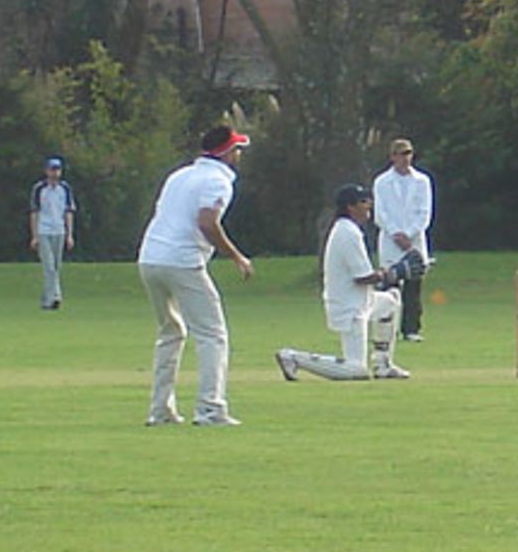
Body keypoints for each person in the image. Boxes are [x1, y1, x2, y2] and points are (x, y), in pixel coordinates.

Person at [137, 125, 254, 426]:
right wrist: (236, 256)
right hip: (182, 261)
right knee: (212, 334)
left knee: (170, 332)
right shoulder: (218, 181)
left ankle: (160, 409)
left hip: (150, 258)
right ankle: (210, 409)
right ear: (227, 153)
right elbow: (207, 222)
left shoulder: (179, 175)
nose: (239, 154)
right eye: (236, 149)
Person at [275, 184, 411, 382]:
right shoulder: (347, 233)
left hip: (362, 301)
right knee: (356, 370)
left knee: (390, 302)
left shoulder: (349, 229)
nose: (369, 206)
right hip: (349, 308)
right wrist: (393, 272)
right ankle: (294, 358)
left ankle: (383, 364)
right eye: (363, 202)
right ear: (350, 207)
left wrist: (390, 273)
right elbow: (363, 277)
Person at [372, 136, 434, 341]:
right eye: (400, 154)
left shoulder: (422, 181)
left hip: (414, 239)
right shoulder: (382, 181)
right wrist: (396, 233)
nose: (405, 158)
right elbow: (380, 214)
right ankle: (387, 328)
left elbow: (424, 213)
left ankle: (411, 329)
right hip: (390, 240)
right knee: (390, 285)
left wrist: (409, 234)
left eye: (407, 153)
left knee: (414, 285)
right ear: (392, 157)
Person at [29, 155, 78, 310]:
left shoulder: (65, 189)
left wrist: (69, 234)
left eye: (57, 169)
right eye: (52, 169)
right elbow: (34, 212)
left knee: (56, 266)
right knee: (48, 266)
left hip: (59, 230)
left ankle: (46, 300)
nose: (55, 173)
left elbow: (68, 212)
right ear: (46, 171)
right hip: (44, 230)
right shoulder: (39, 189)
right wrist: (35, 235)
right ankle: (56, 296)